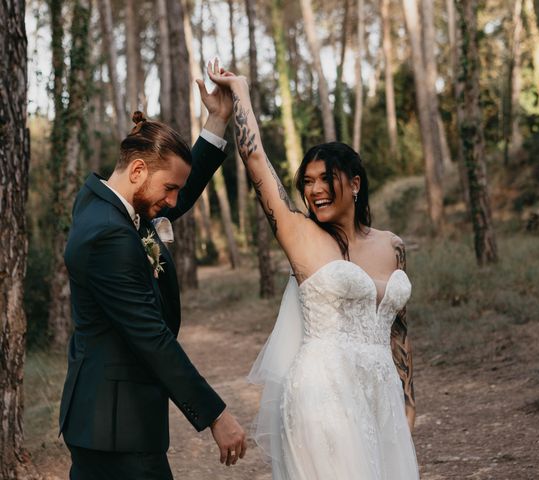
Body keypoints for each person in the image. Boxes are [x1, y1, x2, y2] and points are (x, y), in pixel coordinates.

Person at [210, 70, 419, 478]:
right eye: (307, 181)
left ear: (355, 184)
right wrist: (241, 96)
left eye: (326, 178)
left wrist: (407, 400)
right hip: (323, 394)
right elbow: (255, 160)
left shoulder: (392, 246)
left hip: (381, 395)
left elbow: (399, 331)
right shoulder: (300, 236)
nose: (315, 189)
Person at [58, 61, 247, 479]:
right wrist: (216, 415)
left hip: (107, 419)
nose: (175, 202)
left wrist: (217, 121)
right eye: (170, 190)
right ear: (139, 170)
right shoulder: (109, 235)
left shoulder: (103, 202)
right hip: (114, 427)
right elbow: (150, 336)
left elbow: (176, 185)